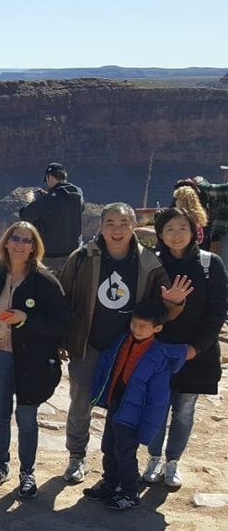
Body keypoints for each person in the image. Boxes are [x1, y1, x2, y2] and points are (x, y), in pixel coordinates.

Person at [58, 202, 190, 484]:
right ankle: (76, 456)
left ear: (134, 226)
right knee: (81, 401)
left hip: (128, 349)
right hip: (88, 344)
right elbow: (63, 298)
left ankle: (115, 465)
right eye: (110, 223)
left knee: (121, 405)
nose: (116, 230)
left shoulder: (148, 263)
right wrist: (61, 338)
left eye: (123, 224)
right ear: (100, 226)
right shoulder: (82, 257)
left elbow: (162, 309)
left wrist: (174, 303)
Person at [0, 222, 68, 498]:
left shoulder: (45, 281)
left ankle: (27, 471)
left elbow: (61, 323)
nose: (19, 244)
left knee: (26, 417)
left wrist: (25, 318)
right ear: (6, 242)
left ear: (34, 247)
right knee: (0, 413)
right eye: (15, 238)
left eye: (26, 240)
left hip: (31, 359)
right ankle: (0, 465)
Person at [143, 208, 227, 487]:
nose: (176, 235)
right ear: (160, 233)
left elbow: (217, 311)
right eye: (169, 229)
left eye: (182, 228)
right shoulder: (153, 263)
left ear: (193, 232)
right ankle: (153, 458)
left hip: (196, 354)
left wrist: (195, 348)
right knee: (156, 407)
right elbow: (145, 306)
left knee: (184, 410)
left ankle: (173, 462)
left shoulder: (210, 264)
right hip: (158, 352)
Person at [84, 302, 190, 510]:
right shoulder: (122, 341)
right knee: (108, 446)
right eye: (134, 323)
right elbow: (106, 366)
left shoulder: (158, 356)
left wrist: (148, 427)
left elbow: (157, 399)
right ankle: (110, 483)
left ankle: (130, 492)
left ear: (157, 328)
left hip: (134, 412)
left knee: (125, 452)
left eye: (143, 326)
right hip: (117, 403)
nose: (136, 329)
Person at [18, 162, 84, 274]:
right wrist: (47, 196)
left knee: (48, 284)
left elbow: (25, 216)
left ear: (50, 177)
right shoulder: (78, 193)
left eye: (47, 180)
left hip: (51, 257)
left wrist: (30, 201)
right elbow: (70, 207)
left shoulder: (48, 200)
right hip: (73, 254)